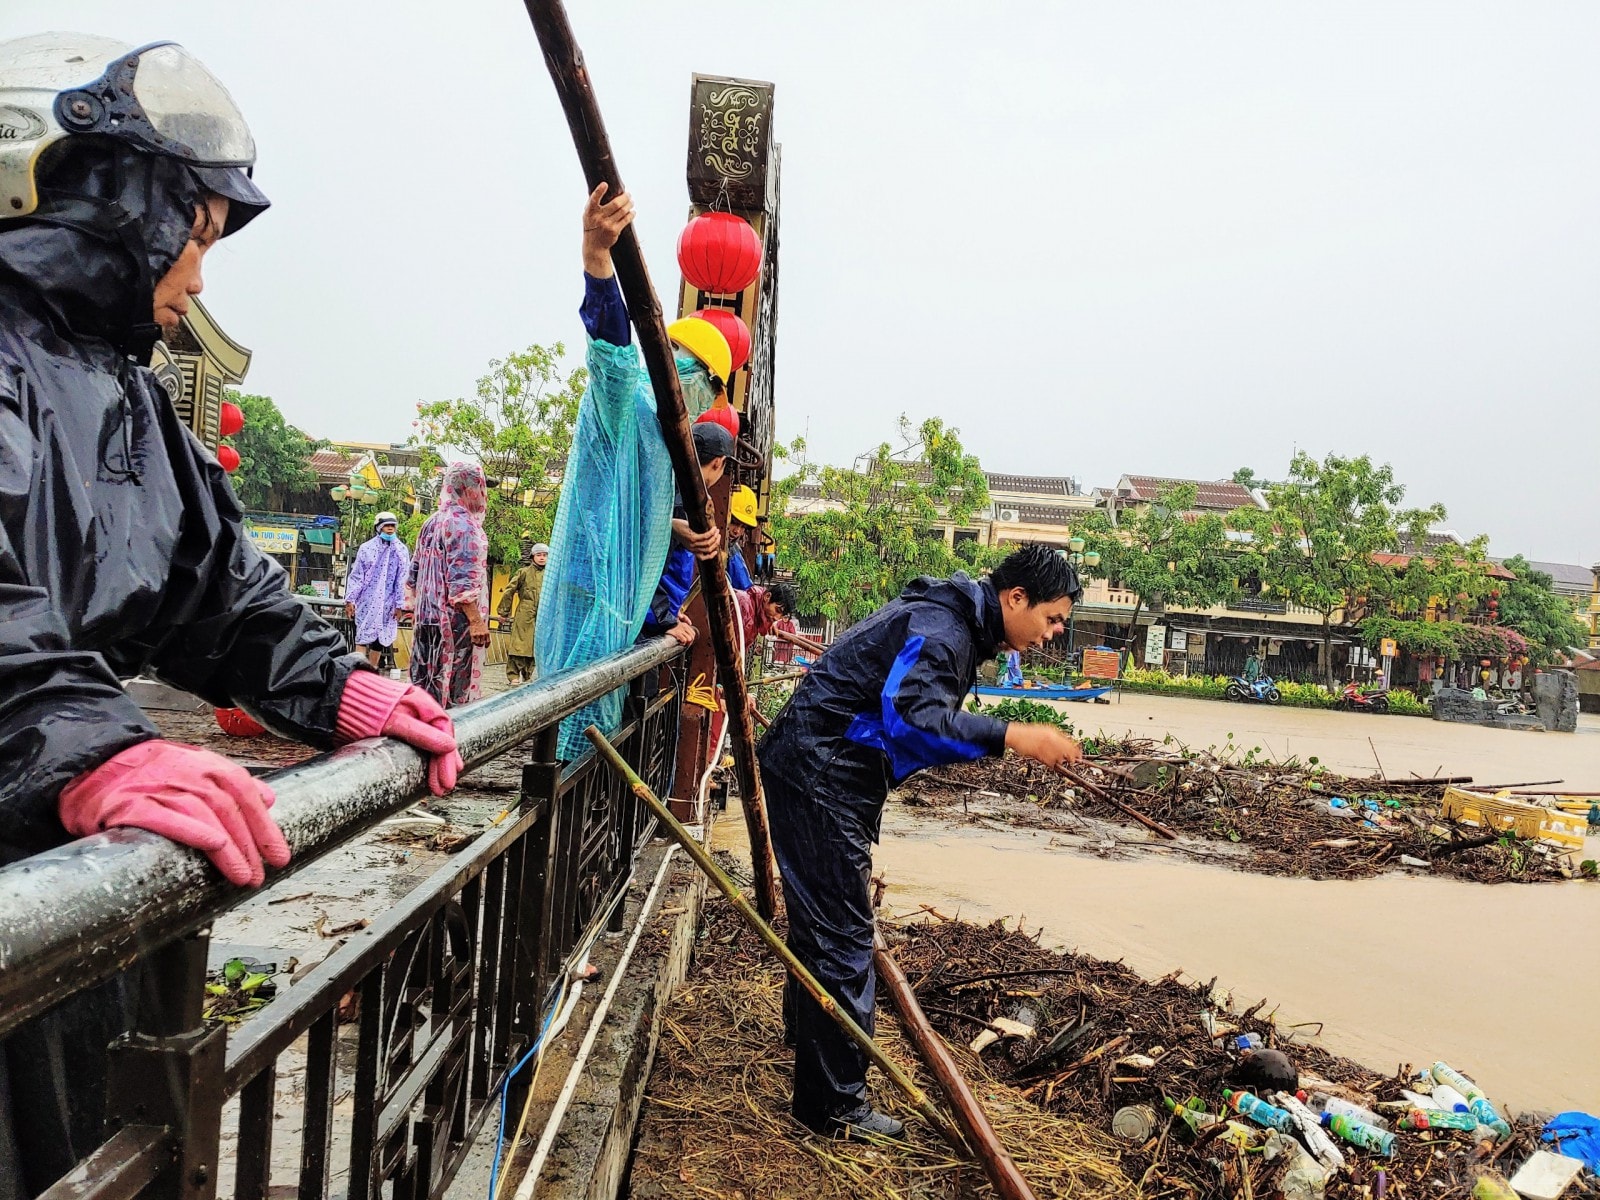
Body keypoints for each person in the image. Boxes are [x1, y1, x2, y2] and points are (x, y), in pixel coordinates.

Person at [0, 33, 462, 1194]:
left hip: (67, 865)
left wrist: (334, 683)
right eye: (188, 234)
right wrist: (86, 741)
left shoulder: (122, 398)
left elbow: (215, 588)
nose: (199, 278)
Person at [757, 544, 1085, 1138]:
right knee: (844, 940)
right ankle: (833, 1106)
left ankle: (807, 1046)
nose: (1054, 633)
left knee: (821, 926)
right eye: (1053, 618)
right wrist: (1013, 735)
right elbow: (912, 719)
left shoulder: (950, 619)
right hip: (821, 773)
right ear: (1016, 599)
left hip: (816, 765)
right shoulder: (942, 631)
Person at [535, 183, 689, 759]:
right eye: (692, 372)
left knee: (589, 757)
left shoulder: (664, 444)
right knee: (560, 743)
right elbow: (612, 349)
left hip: (617, 619)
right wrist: (597, 259)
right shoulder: (629, 401)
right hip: (584, 598)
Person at [639, 422, 735, 646]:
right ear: (718, 462)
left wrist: (670, 613)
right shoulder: (682, 504)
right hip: (645, 625)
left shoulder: (666, 488)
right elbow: (647, 569)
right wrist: (664, 620)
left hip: (650, 616)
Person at [408, 462, 490, 708]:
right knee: (452, 690)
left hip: (426, 618)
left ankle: (419, 736)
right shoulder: (463, 524)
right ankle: (446, 740)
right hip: (453, 625)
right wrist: (476, 621)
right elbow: (462, 583)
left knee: (424, 685)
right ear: (470, 489)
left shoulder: (432, 521)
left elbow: (414, 571)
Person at [345, 511, 411, 669]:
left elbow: (403, 578)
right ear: (379, 527)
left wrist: (400, 604)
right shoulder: (367, 549)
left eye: (392, 525)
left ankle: (372, 671)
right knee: (362, 636)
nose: (390, 529)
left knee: (380, 639)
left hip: (388, 602)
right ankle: (359, 671)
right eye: (386, 525)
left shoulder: (401, 551)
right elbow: (357, 576)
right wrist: (350, 599)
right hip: (367, 600)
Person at [498, 541, 548, 683]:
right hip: (524, 613)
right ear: (533, 556)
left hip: (542, 615)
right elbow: (509, 590)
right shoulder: (523, 572)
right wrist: (503, 612)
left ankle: (528, 675)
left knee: (534, 646)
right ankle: (513, 675)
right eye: (539, 555)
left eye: (545, 555)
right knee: (518, 646)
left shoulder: (550, 575)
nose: (542, 558)